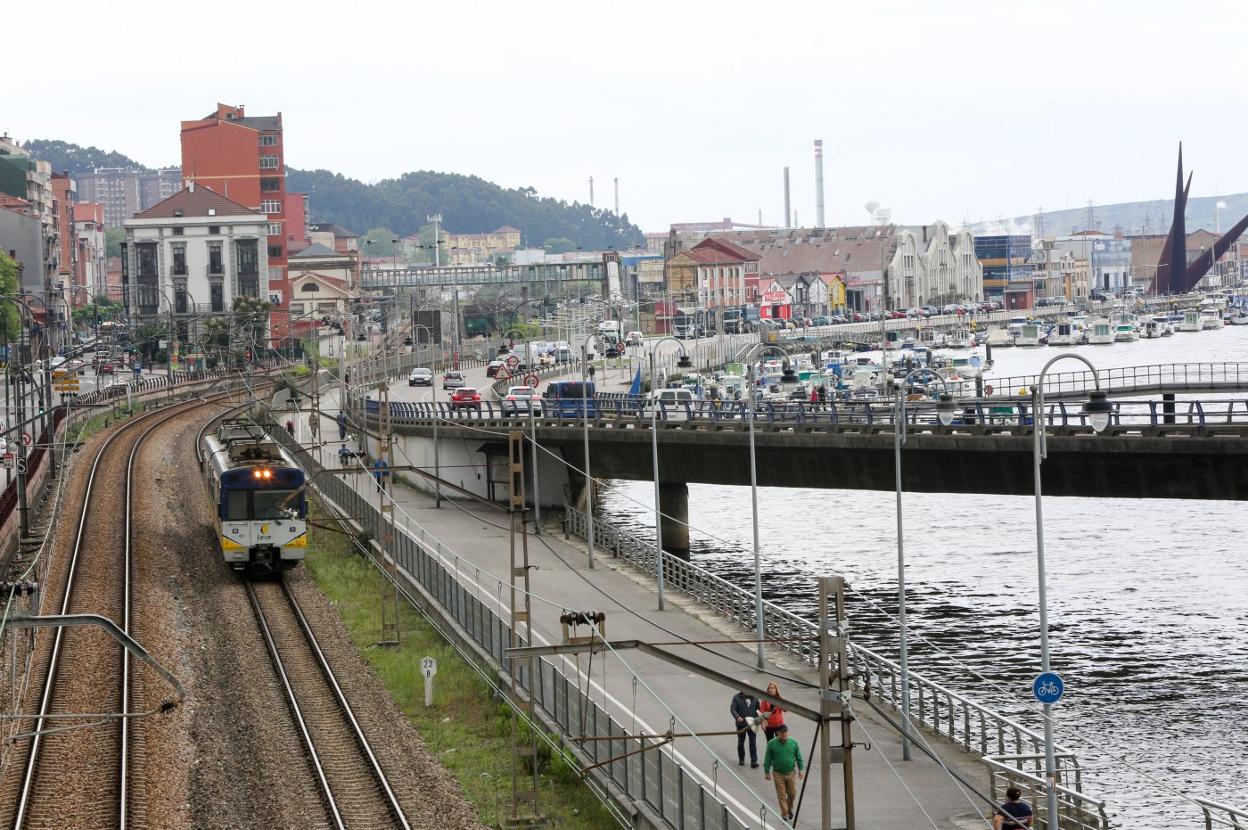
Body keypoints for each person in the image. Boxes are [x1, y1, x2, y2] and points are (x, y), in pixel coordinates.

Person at [763, 723, 803, 822]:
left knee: (792, 793)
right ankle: (784, 813)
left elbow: (799, 757)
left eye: (785, 732)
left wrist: (801, 770)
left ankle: (789, 809)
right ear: (777, 733)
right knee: (781, 794)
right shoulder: (772, 744)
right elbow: (767, 758)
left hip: (790, 772)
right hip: (778, 773)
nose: (784, 734)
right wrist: (766, 771)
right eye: (782, 733)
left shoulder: (793, 743)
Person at [729, 689, 760, 768]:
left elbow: (758, 710)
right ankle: (741, 758)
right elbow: (733, 709)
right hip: (741, 724)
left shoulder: (755, 698)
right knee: (741, 742)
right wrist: (737, 717)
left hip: (752, 724)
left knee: (753, 742)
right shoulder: (736, 697)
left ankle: (754, 761)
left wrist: (758, 720)